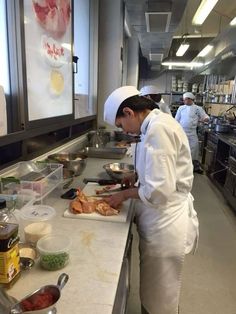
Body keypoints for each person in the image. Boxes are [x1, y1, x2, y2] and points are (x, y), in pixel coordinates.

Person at [103, 86, 199, 314]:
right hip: (158, 217)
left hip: (165, 221)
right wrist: (135, 177)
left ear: (129, 112)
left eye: (120, 125)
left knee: (160, 298)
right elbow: (160, 169)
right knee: (155, 290)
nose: (124, 131)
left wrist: (124, 194)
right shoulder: (153, 125)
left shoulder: (159, 129)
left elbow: (158, 190)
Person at [175, 92, 209, 174]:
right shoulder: (181, 108)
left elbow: (206, 116)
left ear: (191, 100)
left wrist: (205, 119)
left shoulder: (198, 108)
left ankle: (195, 167)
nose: (184, 101)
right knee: (182, 149)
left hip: (193, 132)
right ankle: (181, 167)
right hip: (182, 132)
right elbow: (176, 120)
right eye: (184, 100)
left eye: (186, 99)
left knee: (194, 149)